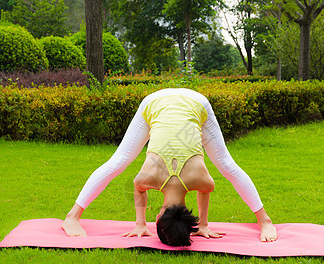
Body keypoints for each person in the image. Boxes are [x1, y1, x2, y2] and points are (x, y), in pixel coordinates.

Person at [62, 88, 277, 245]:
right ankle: (264, 220)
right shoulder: (147, 179)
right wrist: (140, 224)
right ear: (157, 217)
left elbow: (204, 190)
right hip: (186, 102)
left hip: (167, 102)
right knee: (227, 165)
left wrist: (202, 224)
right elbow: (138, 189)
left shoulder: (201, 181)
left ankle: (73, 216)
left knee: (118, 162)